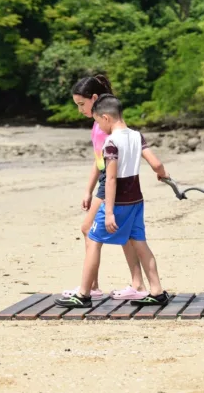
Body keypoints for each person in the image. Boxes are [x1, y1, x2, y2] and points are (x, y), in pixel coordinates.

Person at [55, 95, 171, 308]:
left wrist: (108, 212)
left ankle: (83, 294)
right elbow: (156, 164)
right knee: (140, 242)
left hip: (118, 203)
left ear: (106, 118)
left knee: (93, 241)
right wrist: (163, 174)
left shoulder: (111, 142)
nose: (99, 126)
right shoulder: (137, 136)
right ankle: (157, 291)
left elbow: (110, 179)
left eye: (98, 121)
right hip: (136, 200)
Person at [63, 75, 147, 301]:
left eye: (82, 104)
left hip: (111, 182)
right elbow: (98, 160)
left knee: (89, 229)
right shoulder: (98, 124)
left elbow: (110, 165)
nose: (80, 110)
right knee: (124, 234)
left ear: (94, 98)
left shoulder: (104, 126)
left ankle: (93, 287)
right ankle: (130, 284)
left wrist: (99, 193)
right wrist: (87, 190)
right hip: (105, 180)